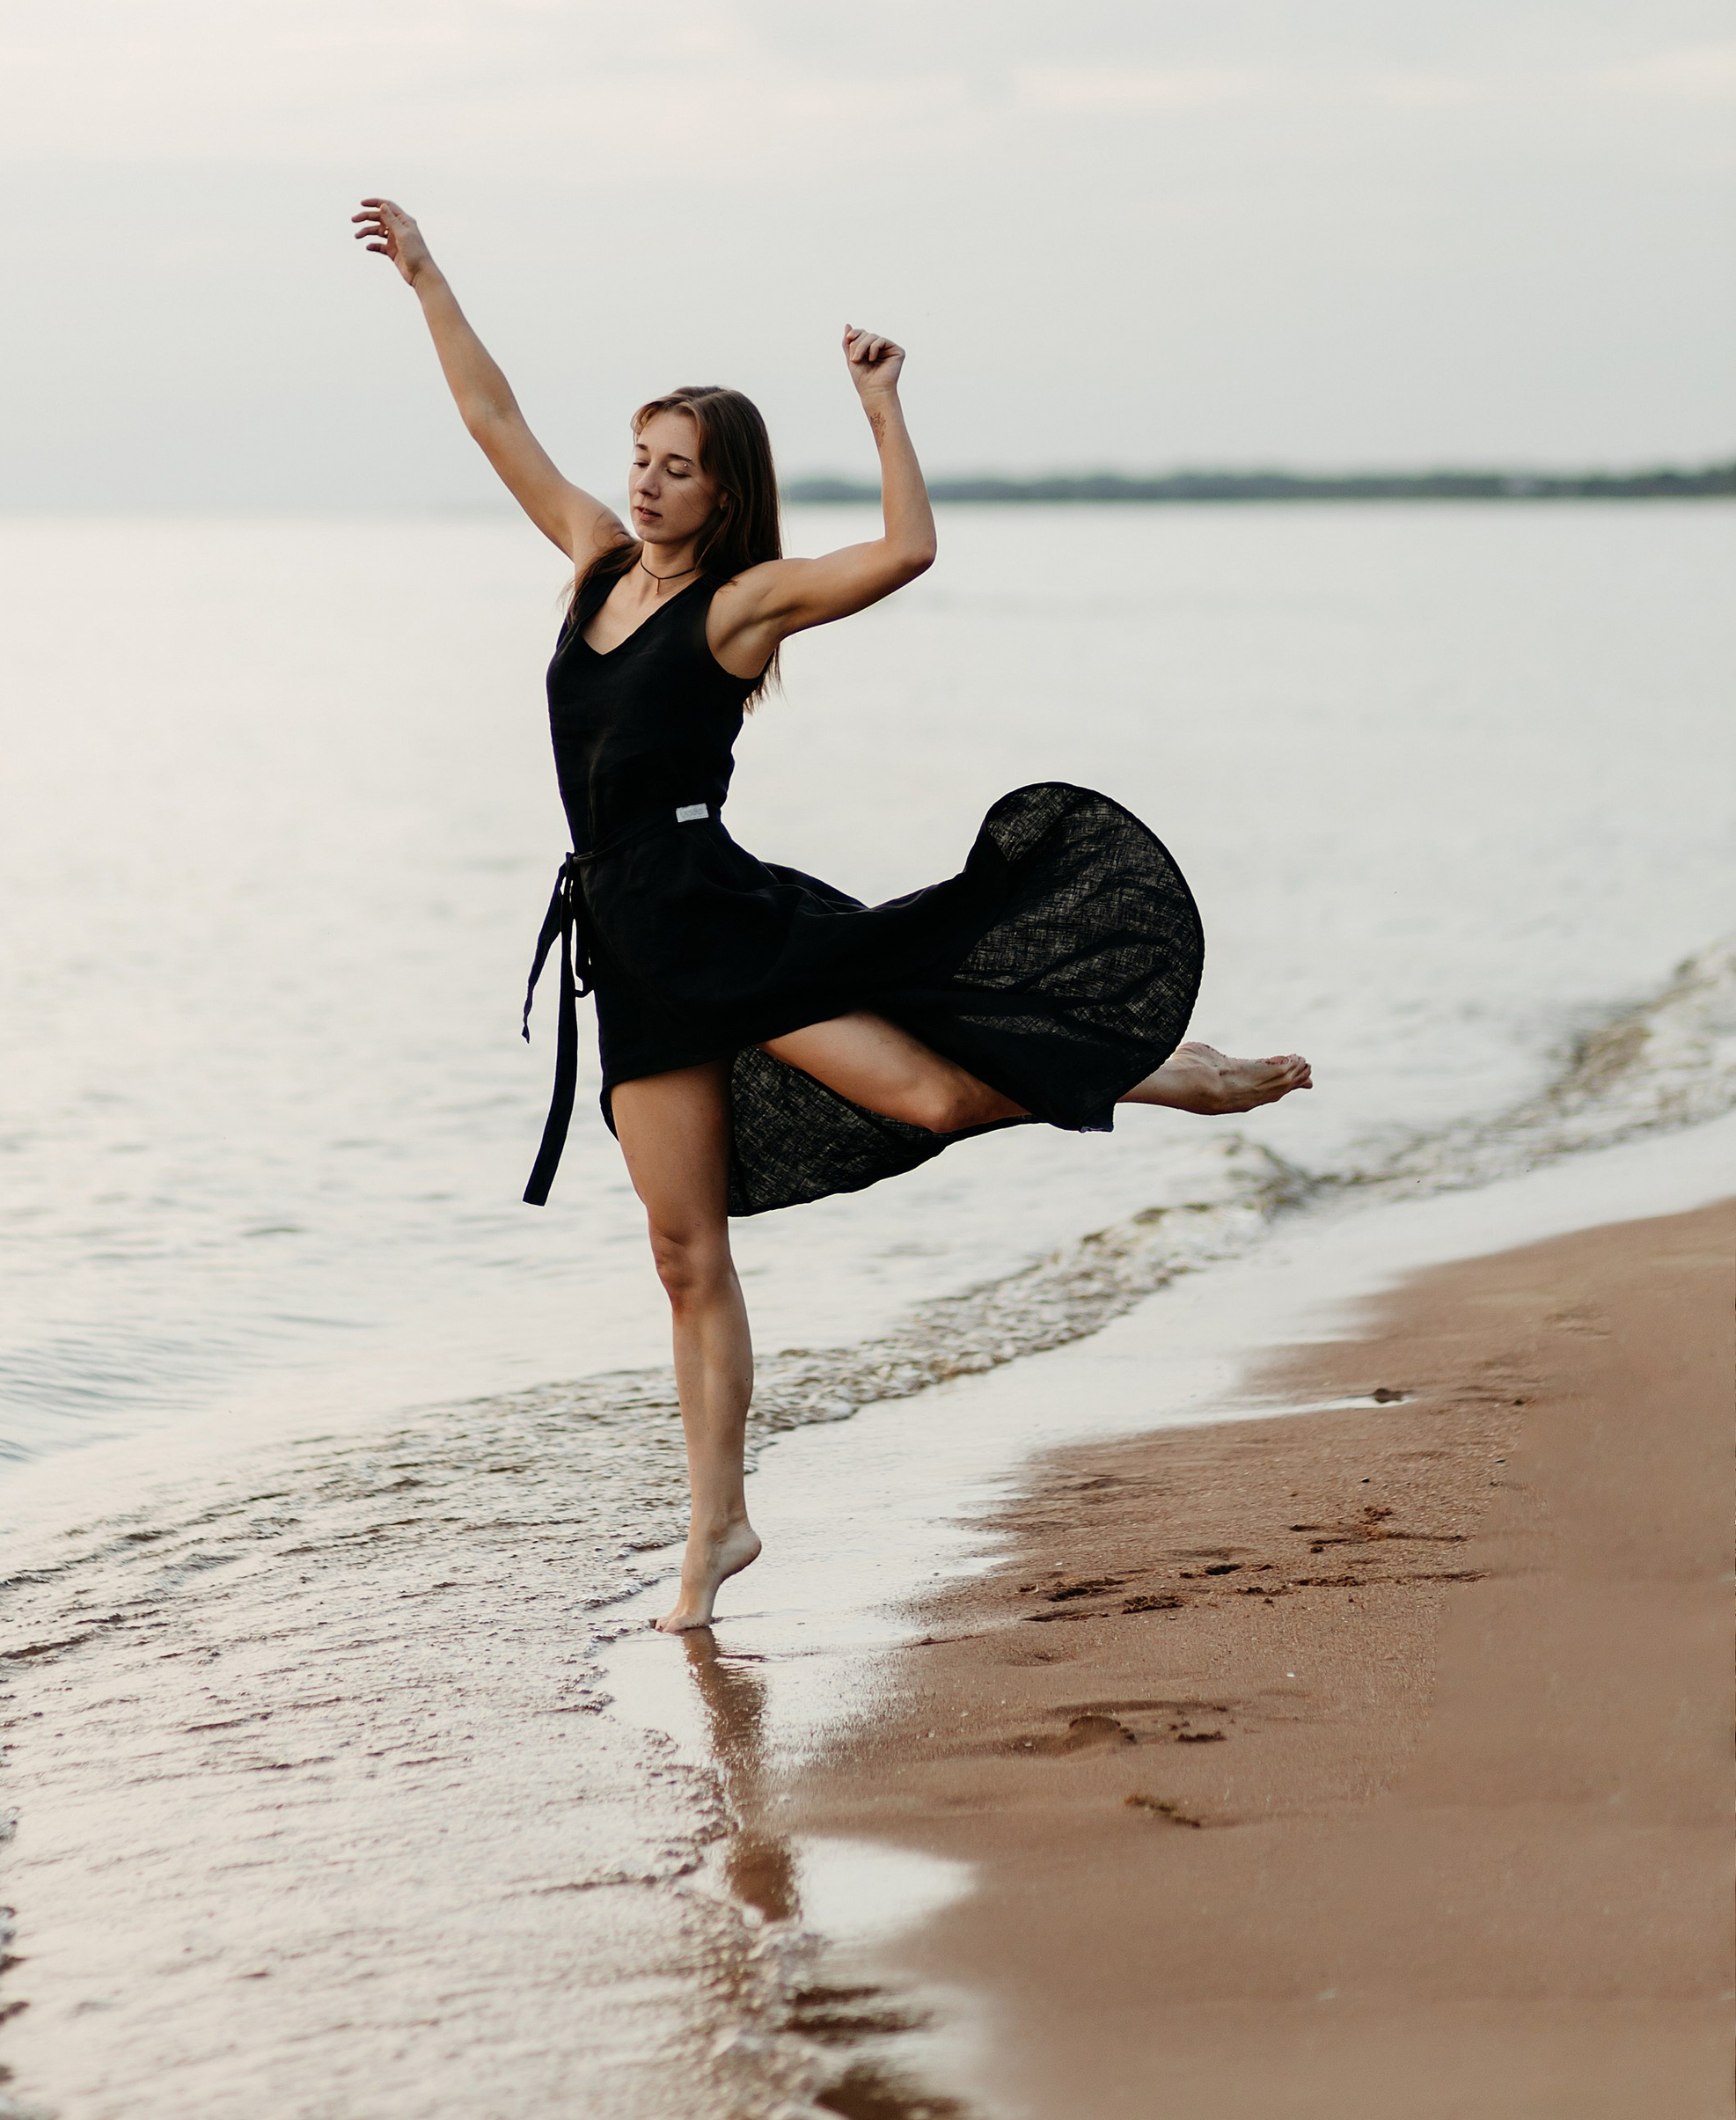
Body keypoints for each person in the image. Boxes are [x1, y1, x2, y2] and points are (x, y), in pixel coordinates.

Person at [355, 198, 1312, 1632]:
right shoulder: (596, 562)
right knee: (686, 1257)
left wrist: (883, 412)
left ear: (725, 493)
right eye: (644, 458)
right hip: (629, 952)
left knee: (928, 1095)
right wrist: (429, 277)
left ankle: (1150, 1066)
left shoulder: (741, 607)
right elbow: (497, 422)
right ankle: (717, 1530)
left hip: (727, 924)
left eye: (679, 468)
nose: (649, 481)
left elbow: (908, 553)